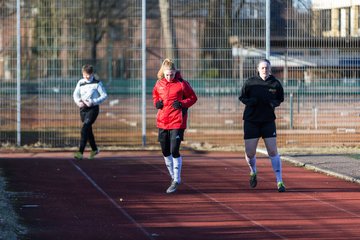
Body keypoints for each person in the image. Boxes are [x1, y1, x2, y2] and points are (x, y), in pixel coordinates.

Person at [238, 59, 286, 192]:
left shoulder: (275, 83)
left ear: (270, 69)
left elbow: (280, 98)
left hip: (268, 121)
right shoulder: (250, 82)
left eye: (267, 68)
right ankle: (253, 171)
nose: (265, 70)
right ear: (258, 69)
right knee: (250, 152)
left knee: (272, 151)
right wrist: (250, 101)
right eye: (262, 68)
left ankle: (279, 181)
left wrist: (274, 103)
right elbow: (242, 97)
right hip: (251, 121)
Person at [152, 58, 197, 194]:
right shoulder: (159, 84)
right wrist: (156, 103)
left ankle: (176, 179)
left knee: (174, 150)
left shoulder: (182, 84)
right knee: (165, 151)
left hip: (177, 121)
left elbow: (193, 97)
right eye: (167, 74)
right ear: (163, 73)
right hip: (162, 121)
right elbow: (155, 96)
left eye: (171, 74)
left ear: (175, 72)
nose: (169, 77)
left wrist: (183, 104)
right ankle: (173, 177)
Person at [73, 64, 108, 160]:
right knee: (88, 130)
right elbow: (75, 94)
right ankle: (94, 149)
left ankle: (80, 152)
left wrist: (93, 102)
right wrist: (78, 102)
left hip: (93, 109)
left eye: (88, 75)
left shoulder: (97, 83)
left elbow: (104, 95)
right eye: (84, 74)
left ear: (92, 73)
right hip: (83, 110)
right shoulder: (80, 82)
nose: (86, 77)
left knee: (84, 128)